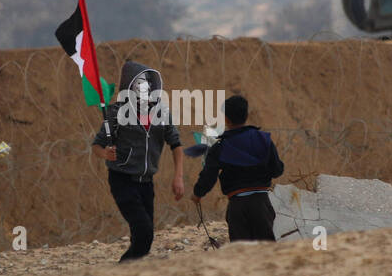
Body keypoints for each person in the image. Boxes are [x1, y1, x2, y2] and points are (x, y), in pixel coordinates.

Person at [92, 61, 184, 261]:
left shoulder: (162, 113)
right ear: (129, 88)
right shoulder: (116, 112)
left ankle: (127, 272)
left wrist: (178, 177)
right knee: (144, 231)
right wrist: (105, 153)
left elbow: (176, 144)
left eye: (147, 85)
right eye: (139, 86)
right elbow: (97, 145)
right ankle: (125, 269)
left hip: (147, 183)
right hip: (122, 180)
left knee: (143, 239)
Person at [191, 95, 284, 242]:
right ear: (246, 116)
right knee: (267, 252)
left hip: (237, 206)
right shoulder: (263, 139)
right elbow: (277, 170)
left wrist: (197, 194)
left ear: (226, 119)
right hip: (261, 204)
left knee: (241, 256)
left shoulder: (220, 146)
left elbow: (209, 176)